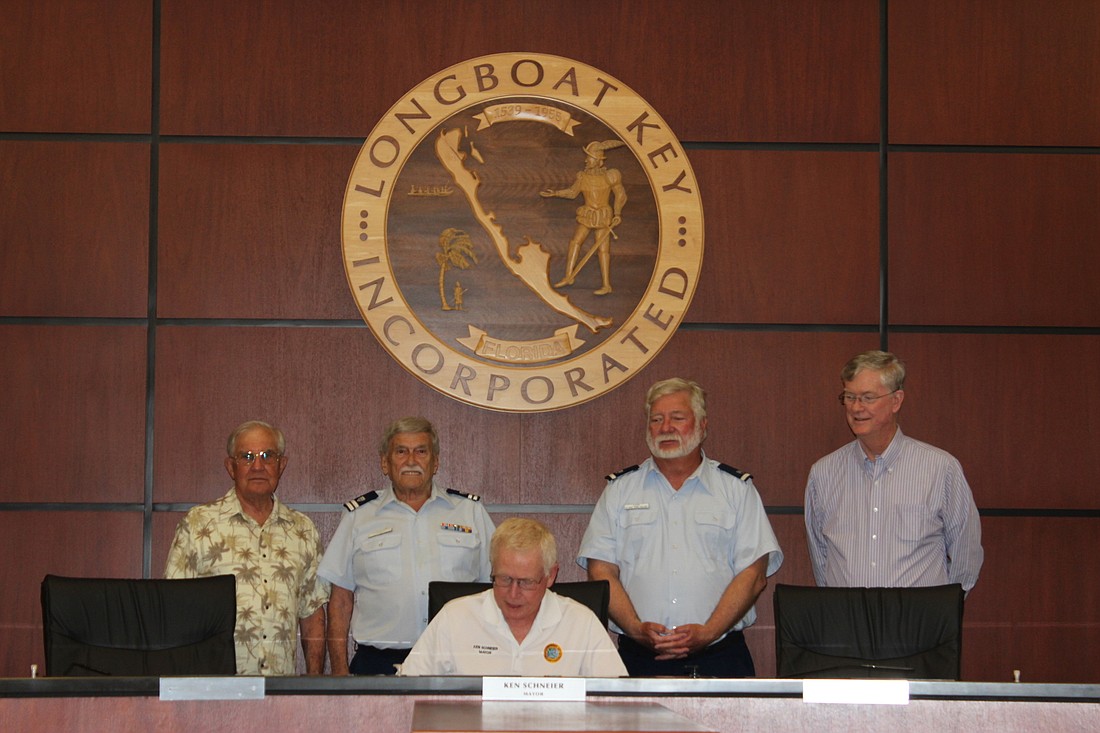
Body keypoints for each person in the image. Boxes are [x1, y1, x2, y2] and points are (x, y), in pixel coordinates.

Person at [577, 378, 783, 677]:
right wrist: (635, 629)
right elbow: (600, 571)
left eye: (677, 418)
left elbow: (753, 575)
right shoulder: (620, 490)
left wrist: (709, 632)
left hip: (720, 657)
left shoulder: (736, 490)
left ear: (702, 425)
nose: (665, 427)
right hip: (638, 659)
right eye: (656, 419)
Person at [319, 416, 495, 675]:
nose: (411, 460)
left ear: (435, 462)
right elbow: (340, 601)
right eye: (401, 451)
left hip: (456, 661)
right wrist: (339, 672)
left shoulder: (470, 513)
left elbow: (496, 587)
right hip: (377, 664)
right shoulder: (359, 517)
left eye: (421, 451)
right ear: (385, 463)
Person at [804, 350, 983, 593]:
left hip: (918, 626)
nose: (857, 407)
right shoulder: (823, 474)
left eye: (868, 397)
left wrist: (940, 615)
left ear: (896, 401)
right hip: (848, 624)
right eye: (849, 396)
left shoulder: (940, 469)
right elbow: (821, 559)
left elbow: (966, 556)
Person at [165, 420, 329, 675]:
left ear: (281, 465)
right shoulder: (198, 525)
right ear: (231, 466)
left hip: (280, 690)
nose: (258, 466)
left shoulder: (302, 530)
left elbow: (313, 614)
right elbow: (175, 608)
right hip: (215, 687)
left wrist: (314, 680)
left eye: (267, 456)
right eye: (247, 457)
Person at [399, 518, 627, 677]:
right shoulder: (454, 617)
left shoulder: (582, 623)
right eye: (504, 579)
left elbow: (616, 702)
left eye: (526, 582)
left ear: (550, 575)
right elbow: (406, 691)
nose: (513, 593)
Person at [541, 139, 627, 295]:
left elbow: (620, 195)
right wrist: (556, 193)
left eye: (590, 157)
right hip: (587, 214)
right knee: (575, 242)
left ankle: (606, 285)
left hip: (603, 216)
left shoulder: (610, 176)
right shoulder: (582, 177)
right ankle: (568, 276)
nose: (586, 160)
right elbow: (573, 192)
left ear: (599, 160)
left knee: (603, 249)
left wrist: (617, 214)